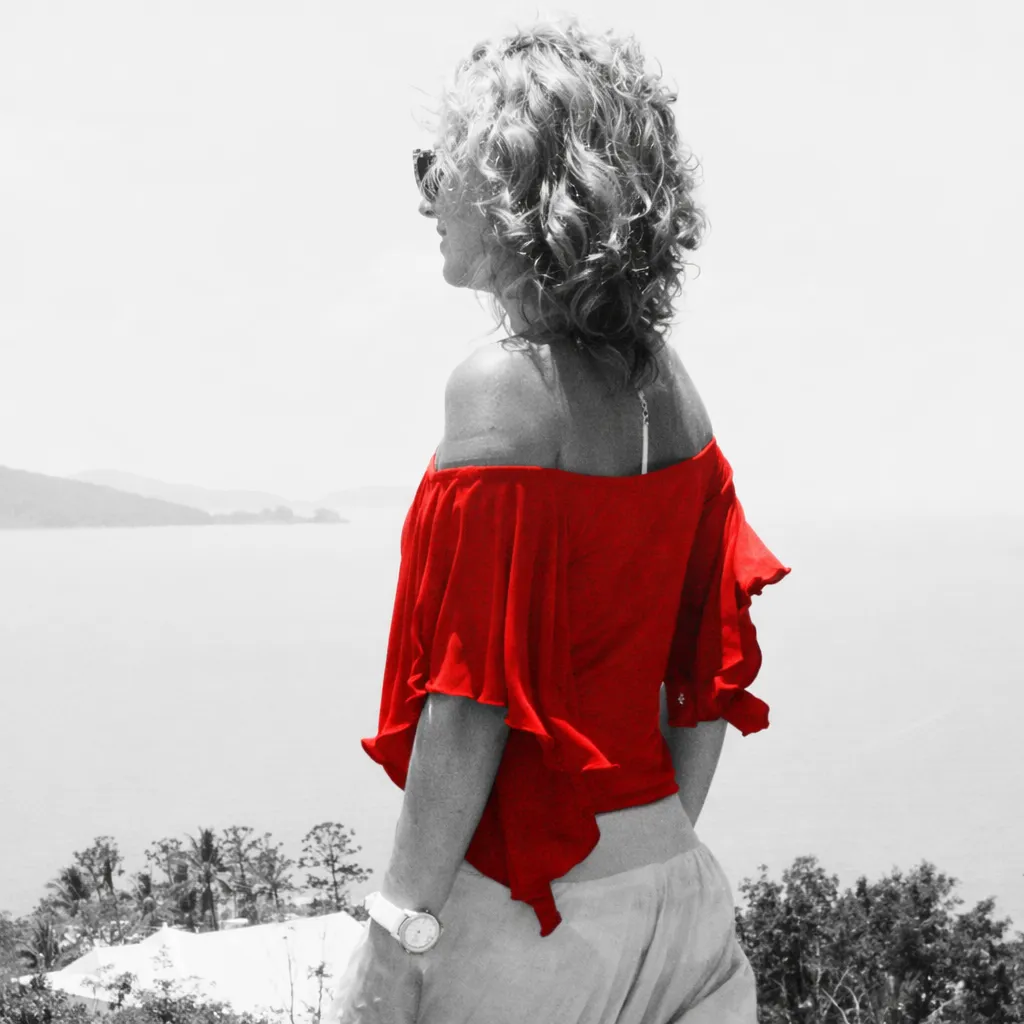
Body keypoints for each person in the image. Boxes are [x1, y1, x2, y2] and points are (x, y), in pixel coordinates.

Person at [328, 14, 790, 1024]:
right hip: (678, 899)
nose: (423, 196)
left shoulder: (501, 389)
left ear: (514, 183)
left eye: (438, 161)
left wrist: (397, 933)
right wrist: (640, 874)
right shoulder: (672, 393)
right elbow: (703, 685)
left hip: (529, 924)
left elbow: (469, 704)